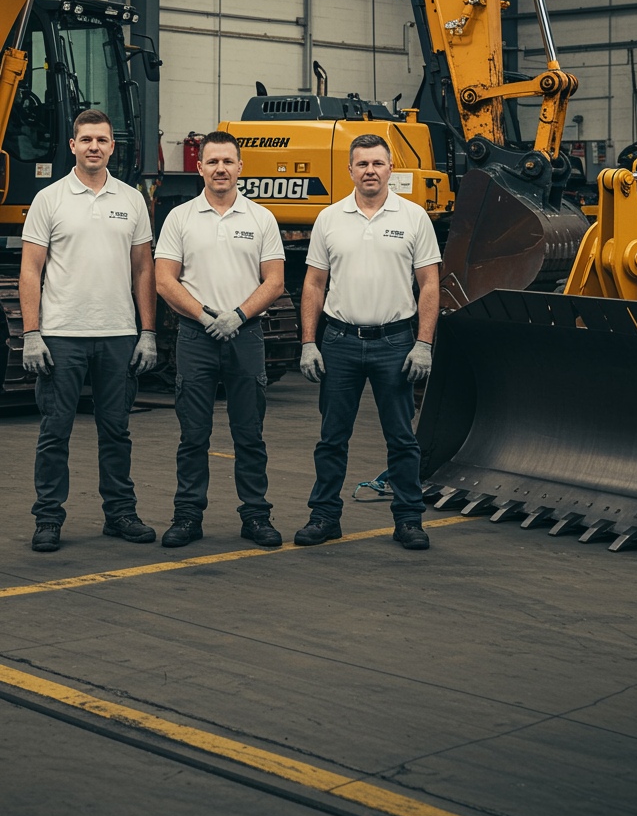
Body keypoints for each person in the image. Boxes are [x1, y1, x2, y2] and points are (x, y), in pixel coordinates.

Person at [20, 109, 157, 553]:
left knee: (116, 430)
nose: (94, 146)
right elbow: (30, 270)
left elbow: (143, 270)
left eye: (102, 139)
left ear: (112, 147)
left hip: (118, 334)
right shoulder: (50, 199)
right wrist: (32, 333)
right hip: (61, 335)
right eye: (86, 140)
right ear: (74, 145)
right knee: (55, 431)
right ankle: (48, 519)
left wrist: (148, 331)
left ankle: (119, 513)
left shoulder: (132, 200)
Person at [297, 133, 441, 552]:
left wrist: (424, 343)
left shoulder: (414, 217)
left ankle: (409, 520)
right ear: (350, 170)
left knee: (401, 439)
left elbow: (429, 284)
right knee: (331, 437)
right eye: (362, 164)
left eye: (378, 163)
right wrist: (310, 342)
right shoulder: (329, 218)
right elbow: (314, 284)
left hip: (396, 343)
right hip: (339, 341)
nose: (370, 171)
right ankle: (325, 516)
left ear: (390, 169)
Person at [154, 130, 285, 549]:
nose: (221, 169)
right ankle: (188, 516)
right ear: (200, 167)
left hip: (245, 336)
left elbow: (276, 281)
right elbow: (163, 280)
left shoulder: (261, 218)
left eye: (228, 161)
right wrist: (207, 315)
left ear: (240, 167)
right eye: (212, 162)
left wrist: (239, 315)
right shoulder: (180, 218)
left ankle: (255, 515)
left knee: (250, 432)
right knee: (194, 434)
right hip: (196, 336)